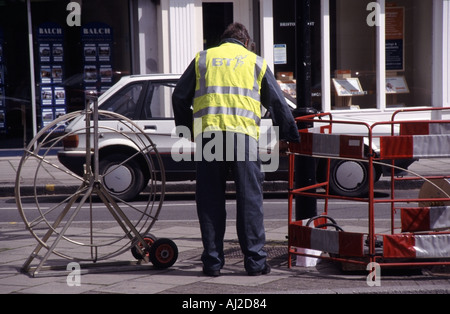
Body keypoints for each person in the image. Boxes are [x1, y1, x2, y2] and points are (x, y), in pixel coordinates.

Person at [172, 22, 300, 276]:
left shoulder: (203, 59)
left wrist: (189, 129)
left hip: (209, 138)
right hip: (243, 138)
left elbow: (178, 97)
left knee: (210, 200)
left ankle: (212, 263)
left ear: (223, 40)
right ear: (246, 42)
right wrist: (288, 135)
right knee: (249, 199)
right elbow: (277, 102)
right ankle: (254, 262)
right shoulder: (255, 62)